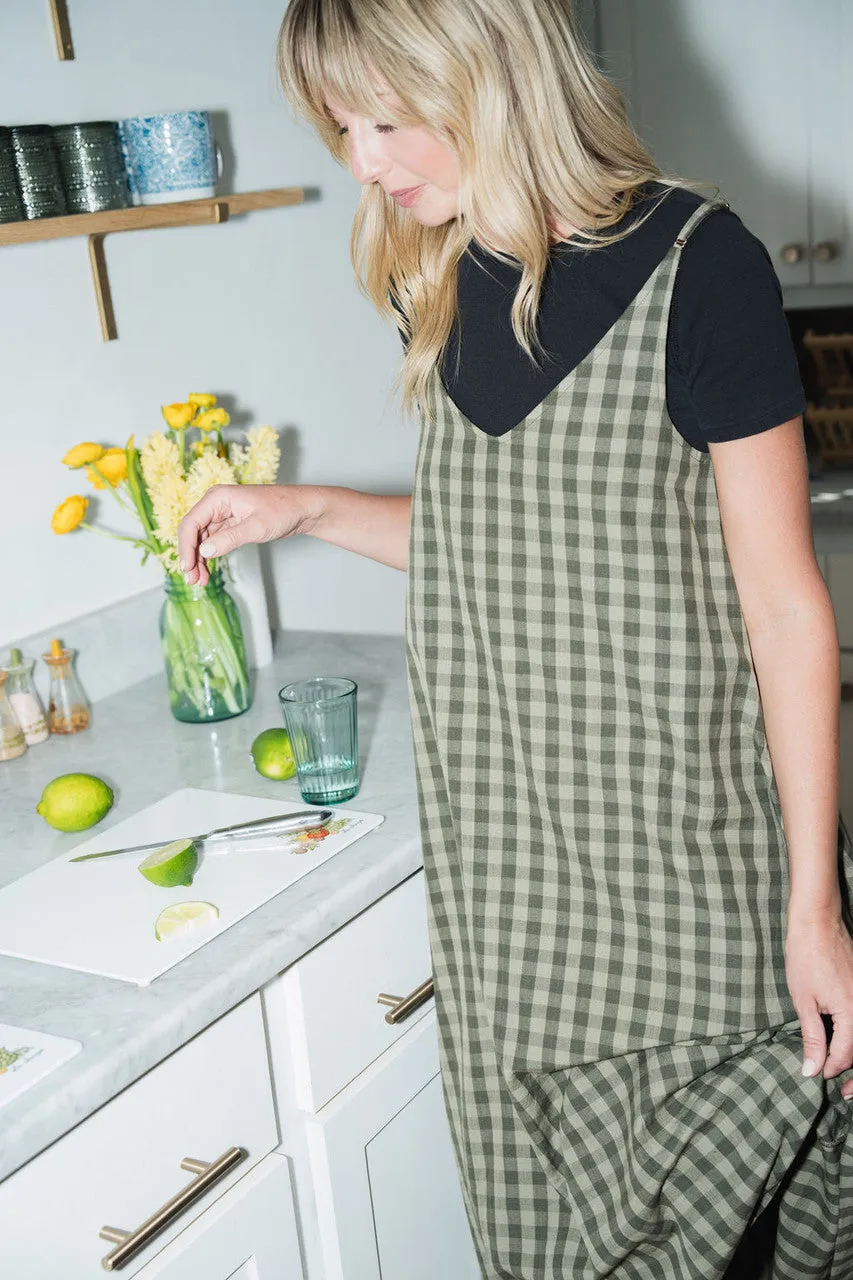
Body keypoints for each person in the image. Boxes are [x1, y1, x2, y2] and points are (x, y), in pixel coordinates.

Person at [177, 2, 853, 1275]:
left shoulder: (697, 266)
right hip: (513, 884)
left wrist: (813, 909)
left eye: (387, 118)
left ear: (485, 73)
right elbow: (510, 543)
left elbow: (784, 608)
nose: (364, 162)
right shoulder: (428, 280)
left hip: (691, 879)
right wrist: (307, 507)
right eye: (341, 126)